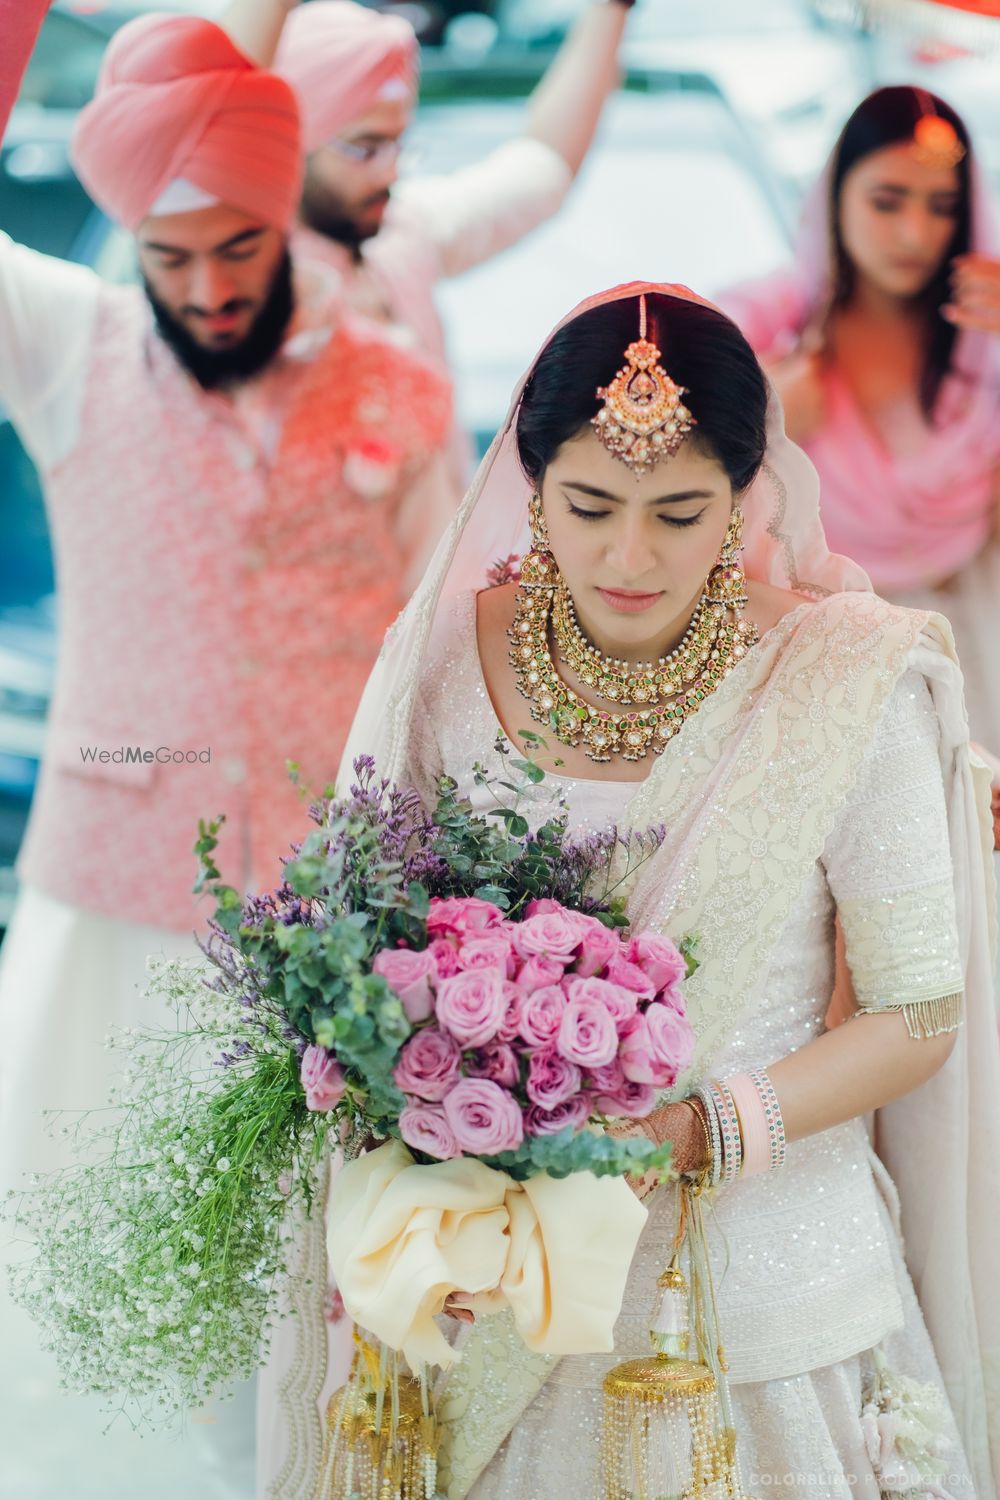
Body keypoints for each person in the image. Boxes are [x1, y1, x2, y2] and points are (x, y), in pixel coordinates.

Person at [271, 283, 1000, 1497]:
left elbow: (917, 1011)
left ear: (745, 497)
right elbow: (361, 953)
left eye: (680, 513)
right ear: (531, 484)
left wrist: (698, 1130)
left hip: (765, 1291)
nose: (629, 557)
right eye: (590, 507)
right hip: (494, 1278)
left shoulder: (839, 679)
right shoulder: (448, 660)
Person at [0, 7, 452, 1195]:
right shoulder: (66, 349)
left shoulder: (395, 381)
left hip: (337, 923)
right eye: (169, 256)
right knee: (87, 1266)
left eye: (238, 249)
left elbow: (447, 648)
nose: (204, 290)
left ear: (285, 216)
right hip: (113, 898)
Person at [222, 0, 639, 504]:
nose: (390, 172)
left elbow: (542, 169)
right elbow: (218, 106)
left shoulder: (401, 233)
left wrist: (612, 9)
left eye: (400, 144)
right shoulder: (242, 276)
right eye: (365, 147)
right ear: (283, 142)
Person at [720, 86, 1000, 767]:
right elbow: (644, 415)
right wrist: (759, 407)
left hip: (978, 645)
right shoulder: (773, 323)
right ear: (834, 195)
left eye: (942, 208)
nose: (915, 234)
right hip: (822, 655)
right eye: (887, 200)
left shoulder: (984, 331)